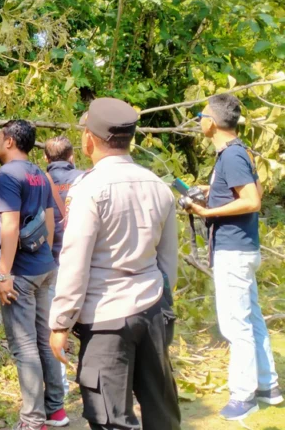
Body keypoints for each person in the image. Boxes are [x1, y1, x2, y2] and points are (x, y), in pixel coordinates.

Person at [49, 98, 181, 430]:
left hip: (106, 319)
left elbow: (75, 262)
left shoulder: (89, 190)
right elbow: (168, 263)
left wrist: (61, 324)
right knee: (161, 412)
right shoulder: (159, 187)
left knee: (110, 417)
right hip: (152, 310)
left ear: (89, 140)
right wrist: (161, 306)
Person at [187, 94, 281, 420]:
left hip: (234, 251)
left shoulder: (231, 157)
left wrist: (207, 211)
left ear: (211, 121)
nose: (199, 120)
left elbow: (252, 200)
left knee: (235, 327)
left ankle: (244, 397)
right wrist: (209, 192)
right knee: (252, 320)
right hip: (243, 249)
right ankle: (269, 386)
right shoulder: (237, 153)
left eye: (201, 115)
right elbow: (248, 191)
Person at [0, 120, 68, 430]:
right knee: (43, 339)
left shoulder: (7, 175)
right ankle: (56, 411)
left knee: (24, 347)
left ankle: (32, 421)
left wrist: (4, 274)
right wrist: (44, 257)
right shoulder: (39, 173)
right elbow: (50, 221)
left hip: (20, 273)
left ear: (9, 141)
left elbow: (9, 226)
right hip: (44, 267)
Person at [43, 136, 84, 396]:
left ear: (46, 159)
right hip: (84, 263)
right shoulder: (86, 178)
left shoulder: (39, 181)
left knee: (54, 325)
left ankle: (61, 386)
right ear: (72, 157)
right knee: (90, 324)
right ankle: (91, 375)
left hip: (53, 261)